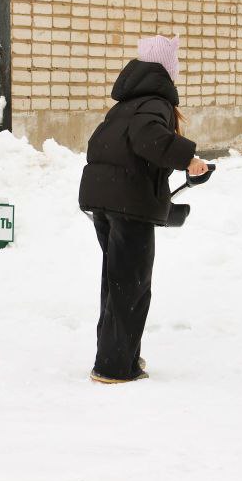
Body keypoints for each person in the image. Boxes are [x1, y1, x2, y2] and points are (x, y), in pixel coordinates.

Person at [78, 35, 208, 384]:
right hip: (127, 204)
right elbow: (148, 137)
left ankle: (117, 356)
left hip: (104, 200)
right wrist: (188, 158)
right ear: (166, 67)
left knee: (116, 282)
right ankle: (115, 367)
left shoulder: (125, 104)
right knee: (130, 286)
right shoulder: (154, 104)